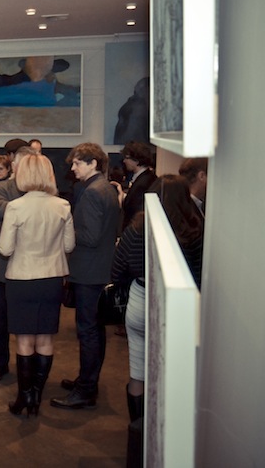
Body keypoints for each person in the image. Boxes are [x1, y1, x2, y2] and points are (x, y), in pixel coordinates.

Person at [111, 174, 203, 464]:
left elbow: (117, 269)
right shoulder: (196, 231)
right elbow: (200, 276)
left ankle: (139, 437)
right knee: (173, 374)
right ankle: (166, 441)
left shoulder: (137, 227)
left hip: (141, 299)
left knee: (138, 371)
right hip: (180, 308)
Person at [0, 154, 75, 416]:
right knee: (45, 339)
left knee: (24, 340)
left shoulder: (15, 207)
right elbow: (69, 246)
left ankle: (24, 397)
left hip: (21, 279)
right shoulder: (62, 205)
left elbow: (5, 249)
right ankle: (36, 396)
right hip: (52, 279)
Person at [51, 143, 120, 410]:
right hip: (99, 268)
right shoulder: (106, 188)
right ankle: (86, 382)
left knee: (89, 332)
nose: (73, 168)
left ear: (93, 163)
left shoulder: (92, 192)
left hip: (89, 271)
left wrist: (65, 231)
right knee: (95, 331)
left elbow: (90, 237)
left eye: (77, 163)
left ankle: (86, 390)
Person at [0, 145, 35, 384]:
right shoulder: (0, 187)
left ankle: (29, 366)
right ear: (14, 165)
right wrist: (34, 206)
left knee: (29, 322)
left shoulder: (40, 190)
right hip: (2, 265)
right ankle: (0, 364)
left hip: (31, 264)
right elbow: (1, 209)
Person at [119, 141, 156, 230]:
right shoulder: (147, 177)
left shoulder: (142, 183)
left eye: (127, 158)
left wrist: (121, 200)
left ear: (136, 160)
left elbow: (133, 212)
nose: (124, 161)